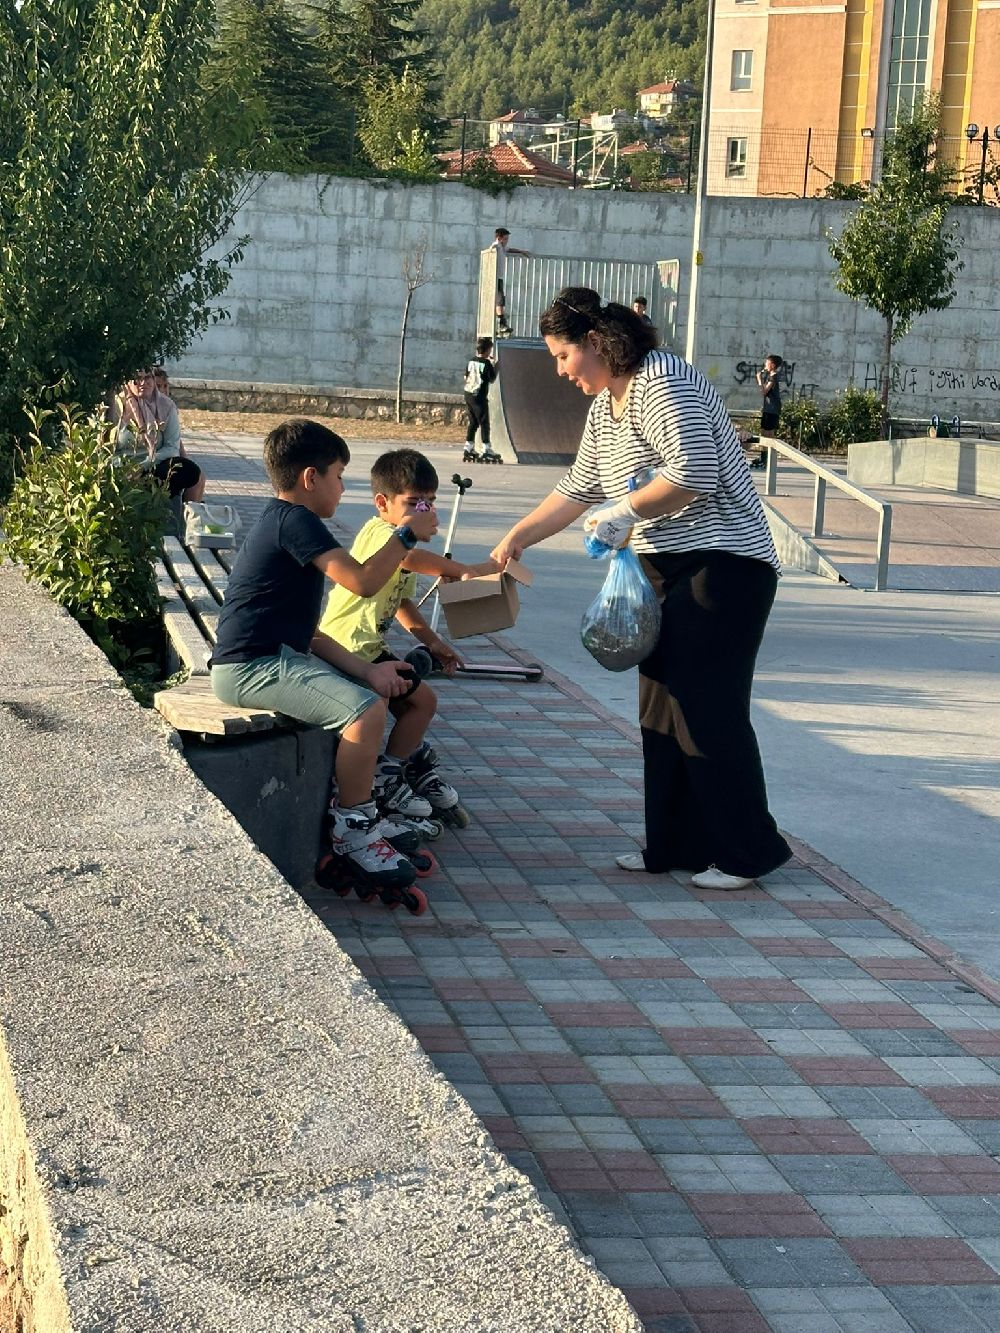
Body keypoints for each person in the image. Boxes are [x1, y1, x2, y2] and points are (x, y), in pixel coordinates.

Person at [491, 287, 791, 892]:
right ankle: (674, 845)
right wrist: (518, 535)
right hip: (660, 565)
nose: (559, 370)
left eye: (561, 355)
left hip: (724, 564)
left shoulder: (662, 382)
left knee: (707, 705)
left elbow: (693, 474)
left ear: (597, 344)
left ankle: (746, 851)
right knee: (660, 705)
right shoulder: (607, 405)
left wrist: (624, 509)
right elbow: (577, 489)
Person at [210, 420, 439, 891]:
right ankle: (353, 829)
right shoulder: (295, 519)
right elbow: (361, 581)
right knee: (365, 713)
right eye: (338, 475)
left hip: (272, 659)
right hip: (250, 669)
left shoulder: (287, 521)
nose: (342, 486)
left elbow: (309, 633)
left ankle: (363, 814)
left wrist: (368, 669)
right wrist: (407, 535)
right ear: (310, 478)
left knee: (367, 692)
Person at [319, 447, 496, 829]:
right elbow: (407, 561)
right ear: (383, 502)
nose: (424, 512)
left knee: (421, 702)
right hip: (346, 646)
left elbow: (402, 603)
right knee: (390, 705)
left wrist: (435, 642)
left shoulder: (404, 542)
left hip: (371, 647)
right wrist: (463, 570)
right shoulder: (382, 535)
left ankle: (394, 770)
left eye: (430, 503)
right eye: (414, 502)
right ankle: (377, 784)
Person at [116, 368, 205, 502]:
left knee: (189, 471)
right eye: (137, 378)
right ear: (128, 382)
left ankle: (176, 515)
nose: (143, 382)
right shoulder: (116, 406)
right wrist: (126, 469)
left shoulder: (166, 405)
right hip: (121, 467)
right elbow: (107, 448)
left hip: (154, 465)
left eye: (148, 378)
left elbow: (172, 448)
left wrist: (143, 467)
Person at [487, 226, 531, 337]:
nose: (507, 241)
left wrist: (521, 251)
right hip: (495, 278)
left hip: (499, 278)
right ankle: (501, 324)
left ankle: (501, 324)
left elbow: (510, 249)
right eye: (505, 239)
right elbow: (490, 252)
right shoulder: (496, 246)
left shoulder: (502, 247)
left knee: (500, 301)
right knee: (500, 300)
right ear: (499, 238)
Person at [462, 336, 499, 462]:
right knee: (484, 422)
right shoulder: (486, 363)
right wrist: (495, 365)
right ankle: (486, 448)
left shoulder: (471, 361)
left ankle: (468, 447)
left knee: (473, 422)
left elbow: (465, 376)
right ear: (488, 350)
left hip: (468, 394)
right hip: (479, 396)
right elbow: (492, 379)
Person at [751, 354, 783, 470]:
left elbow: (764, 391)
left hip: (772, 409)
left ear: (773, 365)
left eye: (767, 363)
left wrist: (759, 380)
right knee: (764, 433)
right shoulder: (770, 376)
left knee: (768, 435)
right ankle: (764, 458)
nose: (765, 365)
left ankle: (767, 459)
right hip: (768, 408)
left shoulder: (773, 377)